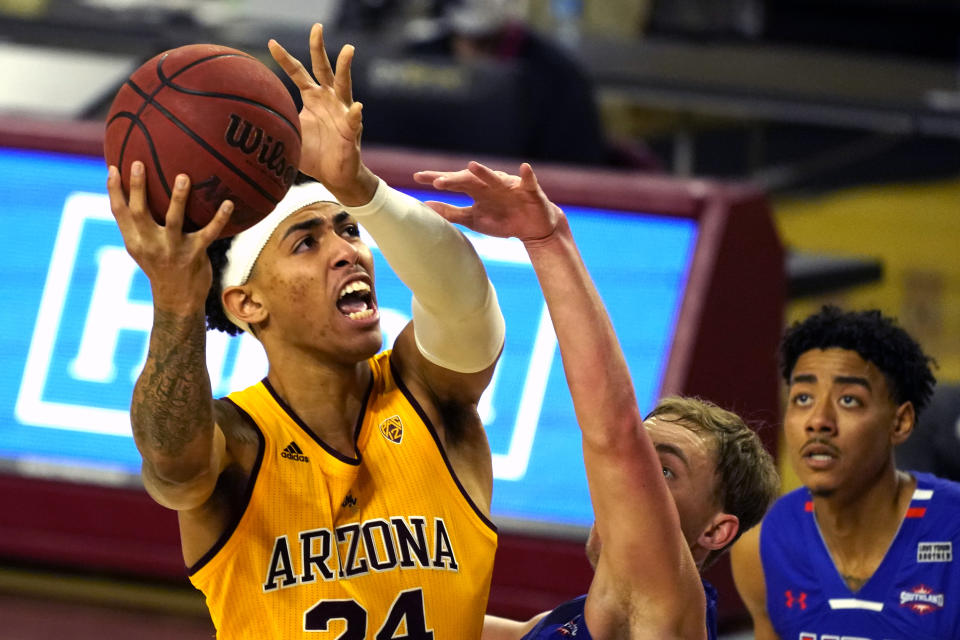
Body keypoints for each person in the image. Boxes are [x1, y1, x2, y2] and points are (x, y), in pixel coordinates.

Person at [106, 24, 506, 638]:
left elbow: (466, 306)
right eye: (307, 243)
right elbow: (172, 465)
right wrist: (175, 305)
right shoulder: (237, 442)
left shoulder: (431, 400)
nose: (348, 253)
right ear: (248, 303)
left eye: (348, 230)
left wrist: (361, 189)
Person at [412, 161, 779, 638]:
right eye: (642, 463)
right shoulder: (563, 625)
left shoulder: (670, 609)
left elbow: (615, 432)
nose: (628, 483)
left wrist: (547, 239)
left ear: (715, 531)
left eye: (661, 471)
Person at [731, 306, 960, 640]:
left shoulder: (953, 529)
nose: (818, 420)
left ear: (900, 422)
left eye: (849, 400)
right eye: (803, 397)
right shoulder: (762, 549)